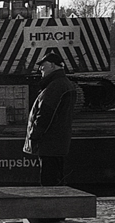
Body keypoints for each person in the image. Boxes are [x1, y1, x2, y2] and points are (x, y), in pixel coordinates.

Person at [24, 52, 77, 202]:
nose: (40, 69)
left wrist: (34, 135)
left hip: (49, 143)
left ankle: (50, 213)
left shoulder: (55, 86)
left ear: (53, 65)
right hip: (58, 142)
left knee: (49, 180)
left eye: (43, 66)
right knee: (57, 179)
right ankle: (58, 211)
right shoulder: (64, 83)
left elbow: (45, 114)